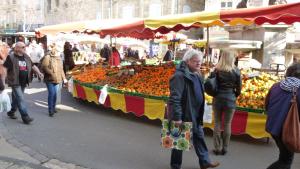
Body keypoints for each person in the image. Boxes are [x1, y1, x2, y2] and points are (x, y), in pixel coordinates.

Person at [168, 49, 220, 169]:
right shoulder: (179, 76)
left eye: (200, 61)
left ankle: (205, 161)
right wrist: (177, 117)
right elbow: (175, 98)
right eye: (195, 61)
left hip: (196, 113)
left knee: (199, 137)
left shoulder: (196, 74)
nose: (199, 64)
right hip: (185, 114)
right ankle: (175, 166)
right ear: (187, 61)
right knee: (180, 141)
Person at [265, 63, 300, 169]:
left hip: (273, 127)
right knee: (285, 161)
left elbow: (266, 105)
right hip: (289, 130)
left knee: (285, 157)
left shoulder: (276, 86)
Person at [4, 42, 44, 124]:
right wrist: (3, 80)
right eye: (23, 47)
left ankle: (11, 111)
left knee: (17, 98)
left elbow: (32, 65)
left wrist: (39, 73)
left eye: (24, 47)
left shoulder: (26, 56)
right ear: (17, 48)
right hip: (14, 81)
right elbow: (5, 68)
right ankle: (25, 116)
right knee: (21, 98)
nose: (25, 48)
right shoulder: (11, 57)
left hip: (23, 81)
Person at [211, 51, 242, 155]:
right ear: (231, 58)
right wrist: (234, 95)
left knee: (217, 122)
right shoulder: (236, 71)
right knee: (227, 123)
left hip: (217, 98)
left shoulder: (217, 70)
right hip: (230, 100)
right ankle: (225, 148)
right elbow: (239, 89)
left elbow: (210, 83)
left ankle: (217, 148)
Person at [41, 44, 67, 117]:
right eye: (59, 51)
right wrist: (52, 74)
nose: (60, 53)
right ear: (55, 51)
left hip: (58, 79)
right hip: (49, 79)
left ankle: (53, 107)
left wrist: (64, 78)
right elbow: (44, 67)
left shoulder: (59, 58)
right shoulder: (47, 57)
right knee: (51, 93)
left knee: (55, 94)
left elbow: (61, 69)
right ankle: (50, 110)